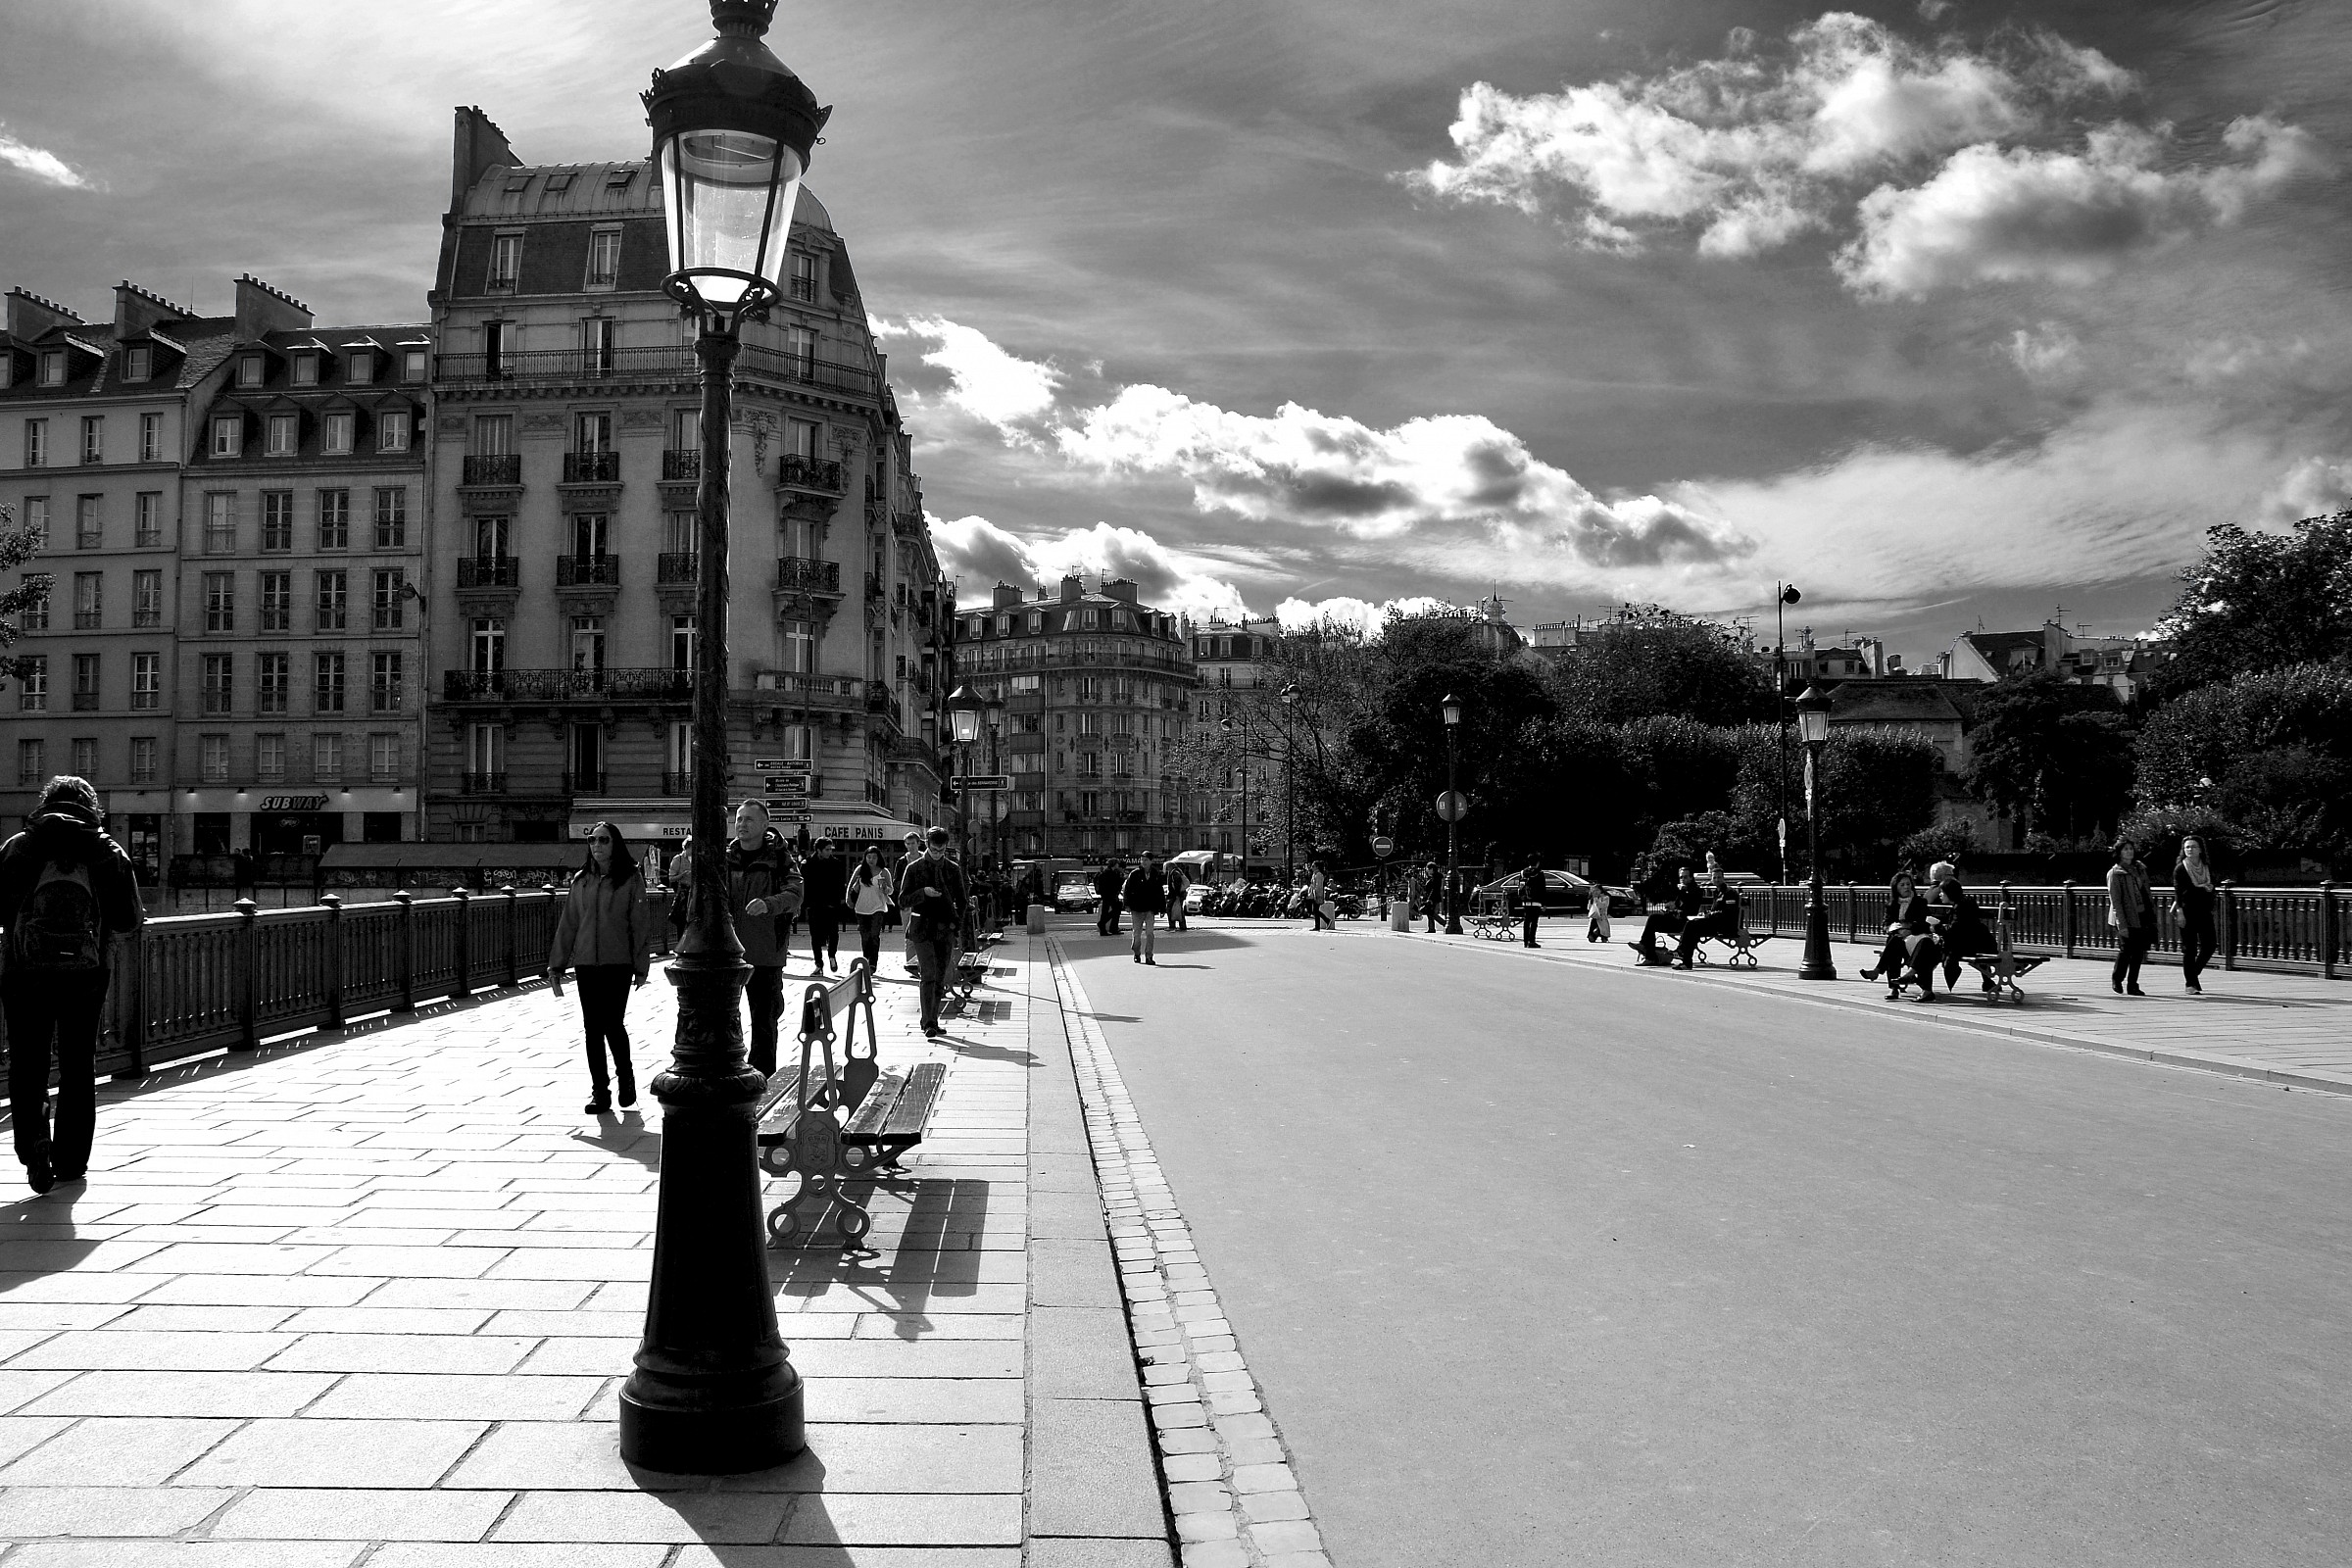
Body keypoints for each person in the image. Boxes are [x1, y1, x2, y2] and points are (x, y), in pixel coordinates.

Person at [0, 776, 145, 1193]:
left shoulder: (20, 846)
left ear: (44, 804)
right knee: (78, 1065)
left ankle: (33, 1143)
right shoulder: (106, 851)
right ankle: (70, 1160)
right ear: (93, 808)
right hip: (85, 973)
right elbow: (127, 920)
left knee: (28, 1061)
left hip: (24, 971)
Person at [668, 800, 803, 1075]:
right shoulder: (724, 858)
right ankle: (727, 1072)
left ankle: (762, 1076)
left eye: (749, 820)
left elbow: (795, 893)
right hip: (725, 955)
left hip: (764, 955)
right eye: (739, 819)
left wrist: (769, 903)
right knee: (719, 1019)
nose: (742, 824)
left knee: (764, 1021)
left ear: (765, 825)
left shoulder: (779, 858)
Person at [546, 821, 657, 1115]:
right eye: (592, 840)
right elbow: (569, 924)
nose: (596, 845)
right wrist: (556, 965)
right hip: (586, 964)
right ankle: (600, 1092)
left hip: (618, 963)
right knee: (592, 1030)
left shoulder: (630, 879)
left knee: (612, 1024)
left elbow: (639, 924)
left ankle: (626, 1077)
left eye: (603, 840)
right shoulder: (581, 880)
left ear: (615, 844)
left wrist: (641, 965)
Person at [899, 826, 970, 1037]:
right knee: (928, 973)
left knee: (940, 976)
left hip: (945, 928)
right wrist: (923, 893)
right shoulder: (913, 868)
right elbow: (902, 900)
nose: (938, 854)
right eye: (934, 849)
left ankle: (933, 1019)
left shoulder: (952, 869)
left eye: (941, 850)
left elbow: (963, 900)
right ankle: (928, 1022)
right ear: (927, 845)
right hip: (922, 928)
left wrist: (956, 924)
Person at [1859, 870, 1939, 1001]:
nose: (1906, 887)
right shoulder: (1892, 904)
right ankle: (1893, 988)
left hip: (1917, 939)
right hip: (1899, 938)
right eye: (1902, 885)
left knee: (1895, 944)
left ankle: (1878, 971)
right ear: (1896, 888)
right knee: (1894, 941)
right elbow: (1885, 924)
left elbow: (1925, 924)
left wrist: (1909, 928)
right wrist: (1894, 929)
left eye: (1908, 884)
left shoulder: (1920, 902)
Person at [1928, 866, 1992, 992]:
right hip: (1979, 942)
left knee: (1936, 949)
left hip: (1977, 945)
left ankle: (1921, 978)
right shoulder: (1962, 903)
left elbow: (1955, 932)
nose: (1940, 895)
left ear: (1949, 893)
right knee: (1937, 947)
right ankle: (1988, 981)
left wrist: (1937, 928)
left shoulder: (1961, 907)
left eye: (1942, 892)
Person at [2107, 837, 2156, 996]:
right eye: (2125, 849)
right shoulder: (2115, 873)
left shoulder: (2140, 868)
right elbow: (2116, 901)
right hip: (2125, 916)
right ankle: (2117, 978)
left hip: (2142, 913)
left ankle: (2133, 984)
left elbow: (2146, 891)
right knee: (2126, 949)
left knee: (2139, 951)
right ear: (2119, 852)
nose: (2129, 852)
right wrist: (2122, 924)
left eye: (2131, 848)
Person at [1629, 865, 1702, 966]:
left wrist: (1683, 893)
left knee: (1653, 919)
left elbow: (1689, 910)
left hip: (1684, 923)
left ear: (1691, 878)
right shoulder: (1682, 890)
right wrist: (1668, 909)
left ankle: (1647, 952)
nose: (1683, 880)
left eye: (1685, 877)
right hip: (1675, 919)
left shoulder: (1695, 890)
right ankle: (1647, 949)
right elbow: (1676, 905)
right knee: (1653, 918)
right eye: (1681, 877)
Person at [1672, 861, 1739, 968]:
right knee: (1692, 925)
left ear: (1723, 878)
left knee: (1692, 925)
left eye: (1719, 877)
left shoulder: (1729, 892)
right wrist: (1706, 914)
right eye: (1714, 878)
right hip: (1716, 924)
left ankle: (1682, 953)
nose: (1717, 880)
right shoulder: (1717, 892)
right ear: (1711, 879)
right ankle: (1685, 961)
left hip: (1725, 926)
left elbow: (1728, 913)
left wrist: (1710, 914)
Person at [2174, 834, 2218, 993]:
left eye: (2193, 847)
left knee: (2210, 945)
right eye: (2187, 847)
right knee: (2189, 949)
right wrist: (2179, 912)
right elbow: (2179, 893)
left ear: (2200, 849)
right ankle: (2190, 984)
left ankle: (2193, 973)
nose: (2190, 850)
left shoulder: (2206, 866)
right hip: (2188, 911)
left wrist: (2211, 888)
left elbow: (2214, 883)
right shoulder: (2180, 868)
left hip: (2204, 911)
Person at [801, 838, 847, 974]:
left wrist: (841, 899)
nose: (829, 852)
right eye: (827, 849)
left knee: (833, 932)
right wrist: (804, 903)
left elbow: (840, 883)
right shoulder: (808, 864)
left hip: (831, 903)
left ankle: (832, 956)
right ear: (818, 850)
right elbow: (803, 884)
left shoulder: (836, 863)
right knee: (815, 935)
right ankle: (818, 963)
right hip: (814, 904)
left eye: (830, 849)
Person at [849, 845, 894, 973]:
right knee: (865, 936)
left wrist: (886, 889)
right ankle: (866, 959)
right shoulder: (860, 870)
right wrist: (849, 898)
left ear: (878, 858)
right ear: (865, 858)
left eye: (874, 857)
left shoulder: (884, 872)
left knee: (874, 935)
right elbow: (851, 885)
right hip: (861, 908)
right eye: (869, 857)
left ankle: (873, 964)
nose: (871, 860)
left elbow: (891, 890)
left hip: (878, 907)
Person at [1123, 855, 1169, 964]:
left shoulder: (1155, 874)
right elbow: (1127, 890)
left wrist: (1162, 908)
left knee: (1150, 933)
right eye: (1142, 860)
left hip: (1150, 908)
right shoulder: (1134, 874)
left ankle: (1149, 956)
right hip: (1137, 908)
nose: (1143, 862)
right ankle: (1137, 953)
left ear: (1151, 861)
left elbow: (1160, 892)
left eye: (1146, 860)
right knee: (1137, 934)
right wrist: (1127, 905)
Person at [892, 830, 926, 976]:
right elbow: (896, 882)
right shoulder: (902, 862)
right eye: (908, 843)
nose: (911, 846)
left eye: (913, 843)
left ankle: (923, 963)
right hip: (907, 904)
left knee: (924, 934)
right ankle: (912, 966)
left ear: (918, 843)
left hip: (924, 903)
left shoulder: (926, 859)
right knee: (909, 935)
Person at [1519, 855, 1546, 948]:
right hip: (1536, 901)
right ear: (1537, 862)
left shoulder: (1523, 873)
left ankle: (1525, 941)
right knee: (1534, 922)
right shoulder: (1540, 873)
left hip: (1525, 901)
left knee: (1526, 922)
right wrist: (1544, 903)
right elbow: (1543, 889)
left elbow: (1520, 886)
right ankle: (1532, 941)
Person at [1095, 860, 1124, 938]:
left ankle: (1104, 928)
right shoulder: (1110, 873)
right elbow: (1116, 883)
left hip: (1106, 895)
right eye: (1117, 864)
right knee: (1116, 908)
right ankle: (1102, 924)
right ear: (1114, 865)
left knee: (1106, 911)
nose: (1118, 865)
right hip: (1110, 895)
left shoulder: (1106, 872)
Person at [1164, 860, 1190, 933]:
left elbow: (1176, 885)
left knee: (1170, 909)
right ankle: (1182, 926)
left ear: (1170, 867)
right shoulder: (1177, 872)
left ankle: (1172, 926)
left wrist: (1176, 895)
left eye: (1167, 867)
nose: (1166, 869)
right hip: (1178, 894)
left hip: (1176, 895)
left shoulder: (1174, 873)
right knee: (1178, 909)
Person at [1586, 879, 1612, 944]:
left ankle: (1603, 936)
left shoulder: (1605, 897)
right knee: (1591, 937)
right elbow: (1589, 908)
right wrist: (1592, 900)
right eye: (1594, 890)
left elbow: (1603, 905)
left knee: (1602, 929)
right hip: (1594, 917)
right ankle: (1593, 935)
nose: (1596, 892)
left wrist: (1597, 900)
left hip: (1601, 917)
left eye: (1597, 890)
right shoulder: (1592, 898)